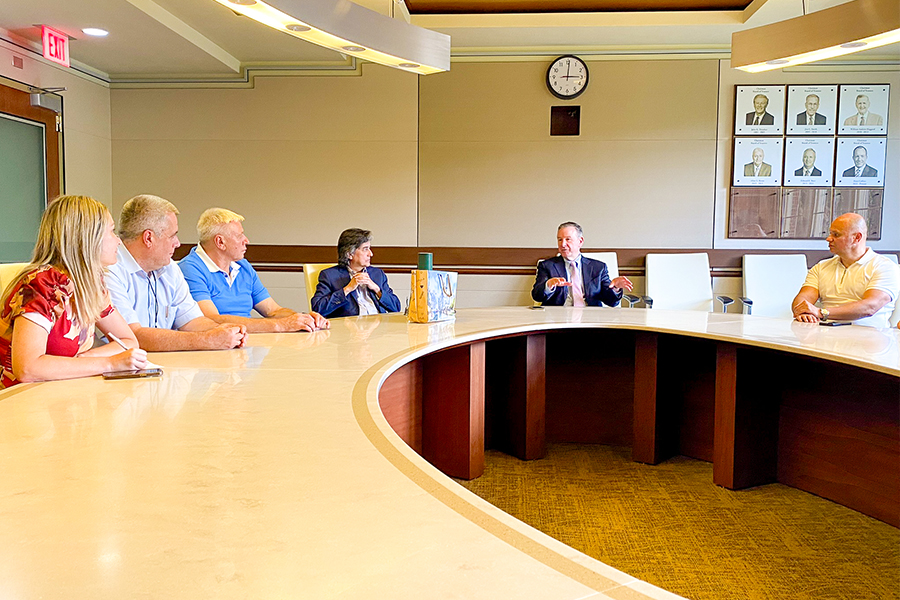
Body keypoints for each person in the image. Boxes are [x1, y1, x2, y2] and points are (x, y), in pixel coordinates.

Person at [0, 195, 147, 389]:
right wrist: (110, 364)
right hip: (19, 400)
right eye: (111, 232)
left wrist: (85, 359)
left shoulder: (92, 284)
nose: (118, 241)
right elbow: (28, 368)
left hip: (60, 395)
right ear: (87, 238)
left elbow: (128, 341)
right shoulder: (42, 284)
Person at [105, 194, 248, 351]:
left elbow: (192, 321)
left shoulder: (170, 268)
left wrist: (226, 332)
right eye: (172, 235)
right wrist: (209, 340)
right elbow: (132, 336)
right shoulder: (109, 271)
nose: (178, 243)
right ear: (148, 238)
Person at [179, 208, 328, 333]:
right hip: (215, 350)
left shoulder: (243, 266)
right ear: (220, 242)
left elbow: (273, 311)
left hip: (244, 342)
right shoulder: (190, 268)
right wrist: (280, 325)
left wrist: (303, 319)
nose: (246, 240)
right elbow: (211, 319)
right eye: (239, 236)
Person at [791, 213, 899, 328]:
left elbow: (870, 307)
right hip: (825, 334)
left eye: (836, 235)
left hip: (870, 338)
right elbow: (803, 299)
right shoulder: (821, 267)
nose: (828, 239)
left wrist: (821, 313)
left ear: (857, 238)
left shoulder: (885, 267)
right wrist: (803, 311)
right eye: (830, 233)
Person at [532, 222, 633, 307]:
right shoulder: (547, 266)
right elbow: (537, 296)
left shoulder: (598, 268)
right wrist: (548, 285)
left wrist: (615, 288)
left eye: (568, 239)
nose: (562, 244)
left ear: (580, 241)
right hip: (558, 319)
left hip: (590, 319)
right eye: (559, 239)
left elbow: (611, 302)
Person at [311, 228, 401, 318]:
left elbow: (396, 307)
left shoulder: (377, 274)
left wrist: (377, 290)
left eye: (369, 248)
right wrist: (347, 289)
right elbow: (318, 309)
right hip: (349, 329)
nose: (371, 254)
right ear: (349, 254)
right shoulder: (329, 276)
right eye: (365, 249)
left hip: (379, 326)